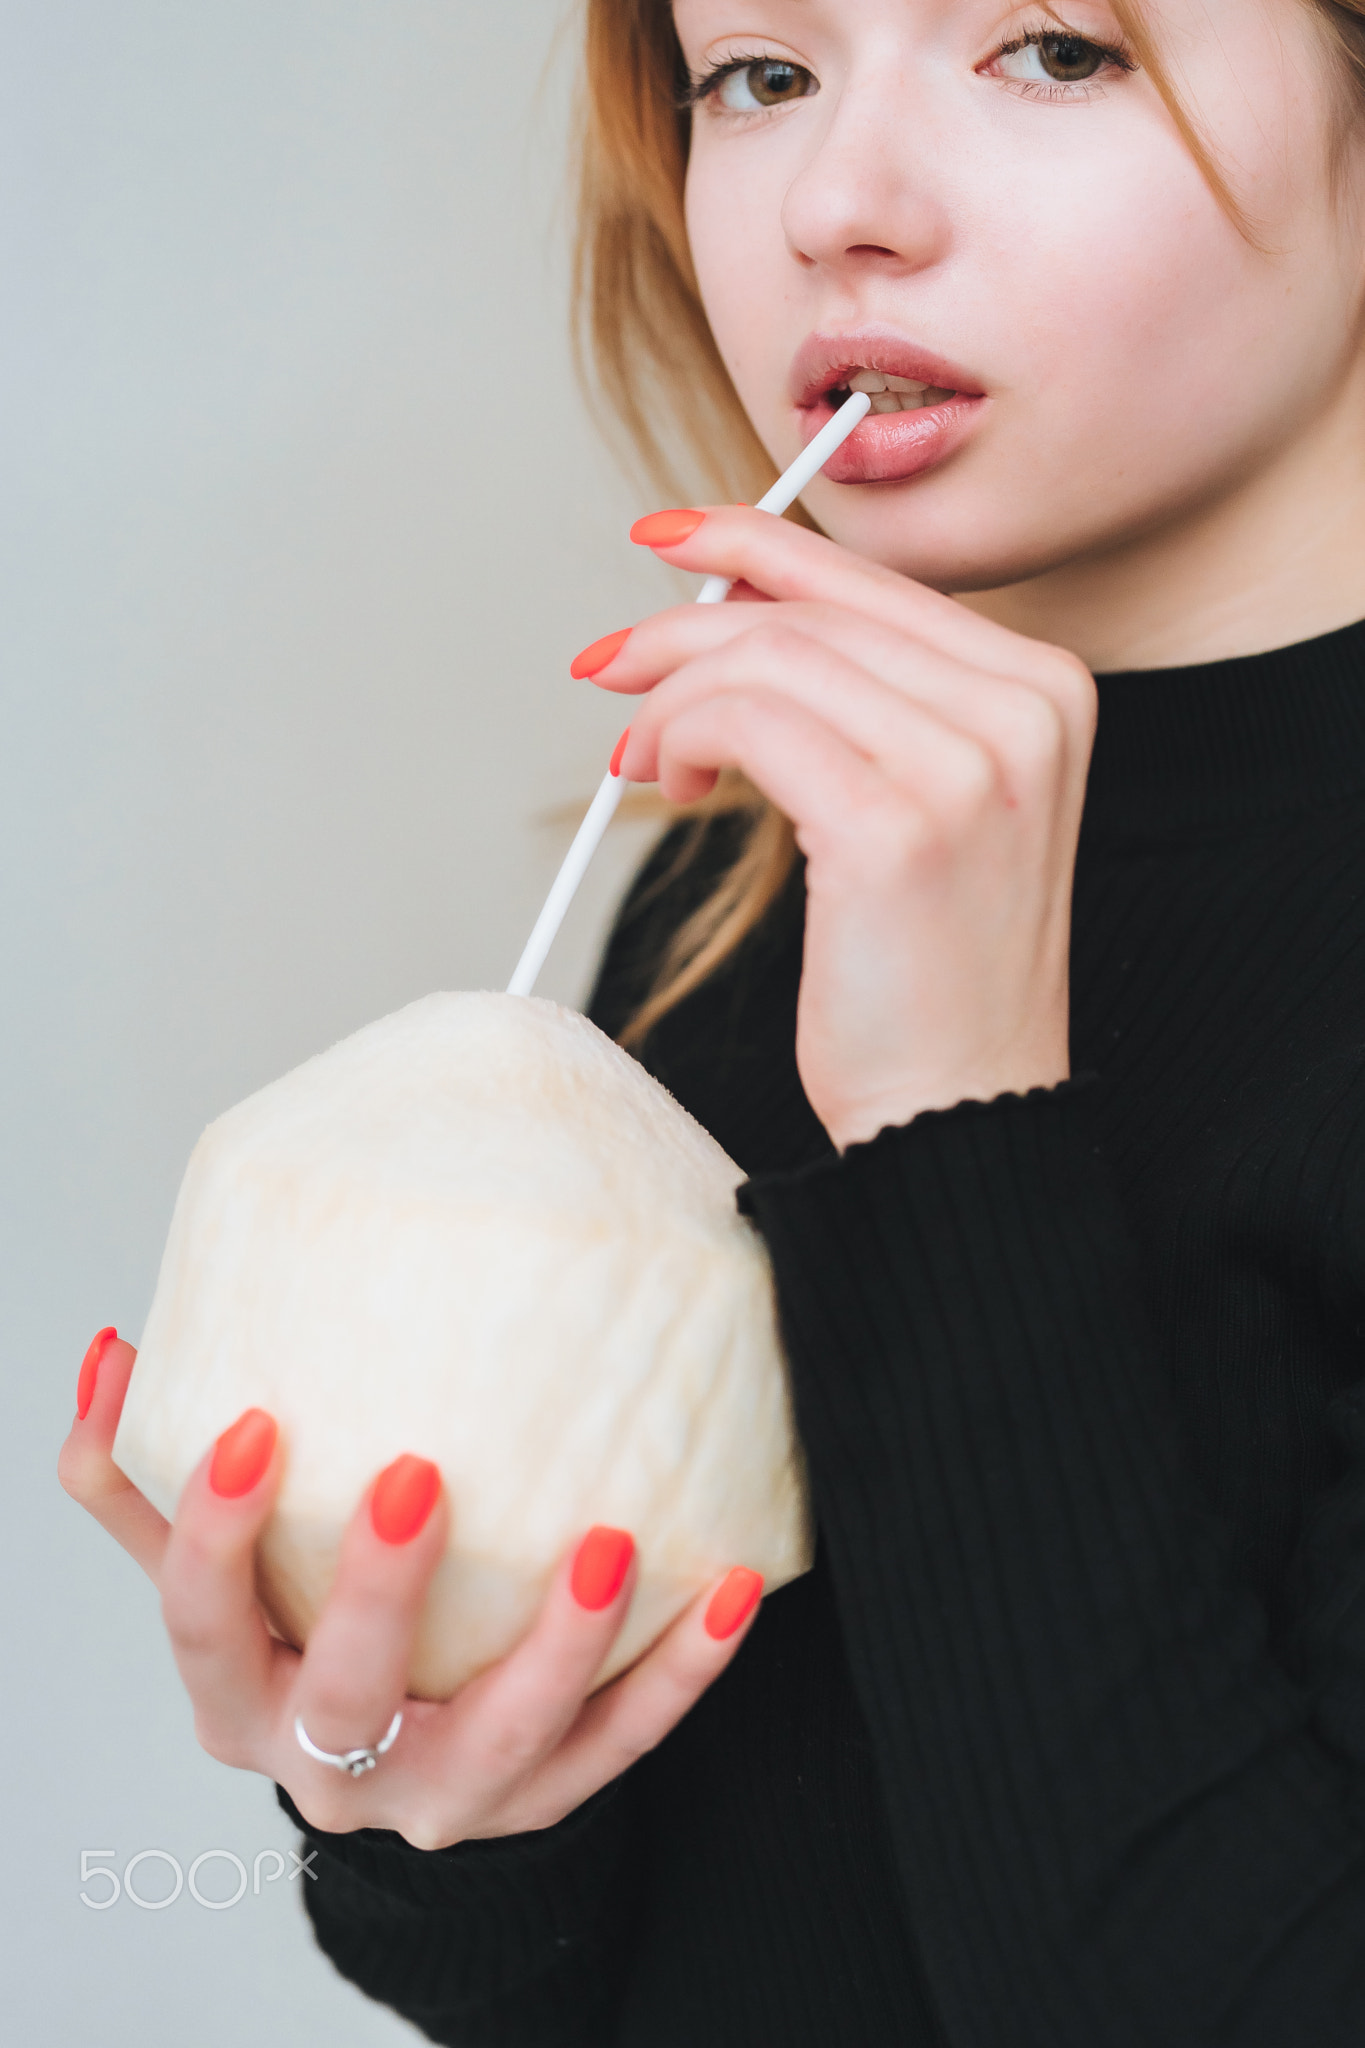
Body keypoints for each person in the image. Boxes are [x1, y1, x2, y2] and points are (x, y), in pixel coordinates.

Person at [59, 0, 1365, 2040]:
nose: (837, 207)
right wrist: (428, 1800)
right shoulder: (735, 872)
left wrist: (957, 1123)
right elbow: (648, 1955)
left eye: (1050, 48)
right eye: (756, 72)